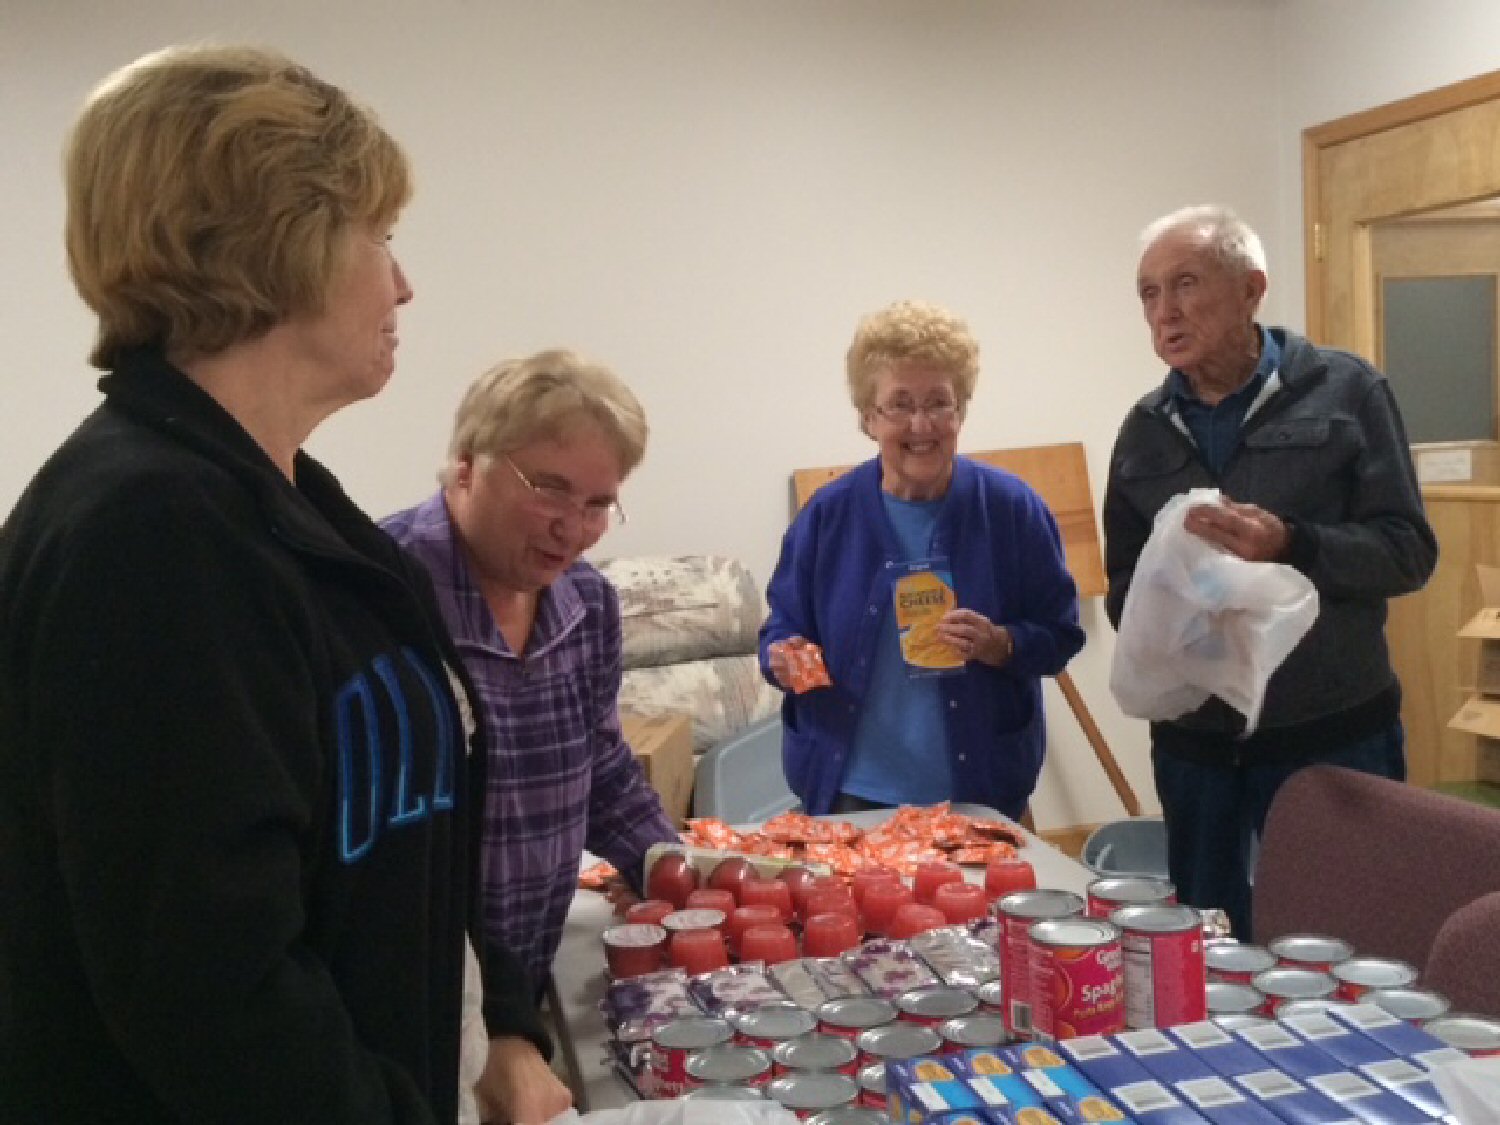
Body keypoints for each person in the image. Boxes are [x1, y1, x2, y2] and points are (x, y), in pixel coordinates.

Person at [0, 45, 566, 1124]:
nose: (402, 281)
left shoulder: (281, 500)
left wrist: (498, 1018)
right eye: (380, 236)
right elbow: (213, 996)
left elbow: (396, 844)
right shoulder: (151, 537)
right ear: (280, 241)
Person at [1103, 203, 1438, 938]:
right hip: (1196, 746)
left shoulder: (1348, 393)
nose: (1165, 311)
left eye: (1186, 283)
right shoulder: (1143, 430)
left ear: (1252, 289)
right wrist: (1174, 608)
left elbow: (1408, 550)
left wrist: (1294, 543)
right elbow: (1121, 585)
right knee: (1207, 942)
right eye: (1149, 293)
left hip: (1331, 734)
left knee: (1347, 939)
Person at [382, 349, 680, 991]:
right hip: (415, 996)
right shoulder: (380, 592)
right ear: (466, 464)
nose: (572, 529)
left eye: (598, 504)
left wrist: (670, 869)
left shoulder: (590, 604)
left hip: (530, 976)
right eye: (549, 489)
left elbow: (603, 769)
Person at [758, 299, 1086, 819]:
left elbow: (1061, 636)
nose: (921, 423)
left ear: (961, 411)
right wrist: (783, 656)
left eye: (939, 402)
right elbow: (780, 631)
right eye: (900, 404)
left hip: (981, 792)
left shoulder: (1012, 509)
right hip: (852, 790)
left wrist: (1001, 644)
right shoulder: (826, 517)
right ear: (868, 418)